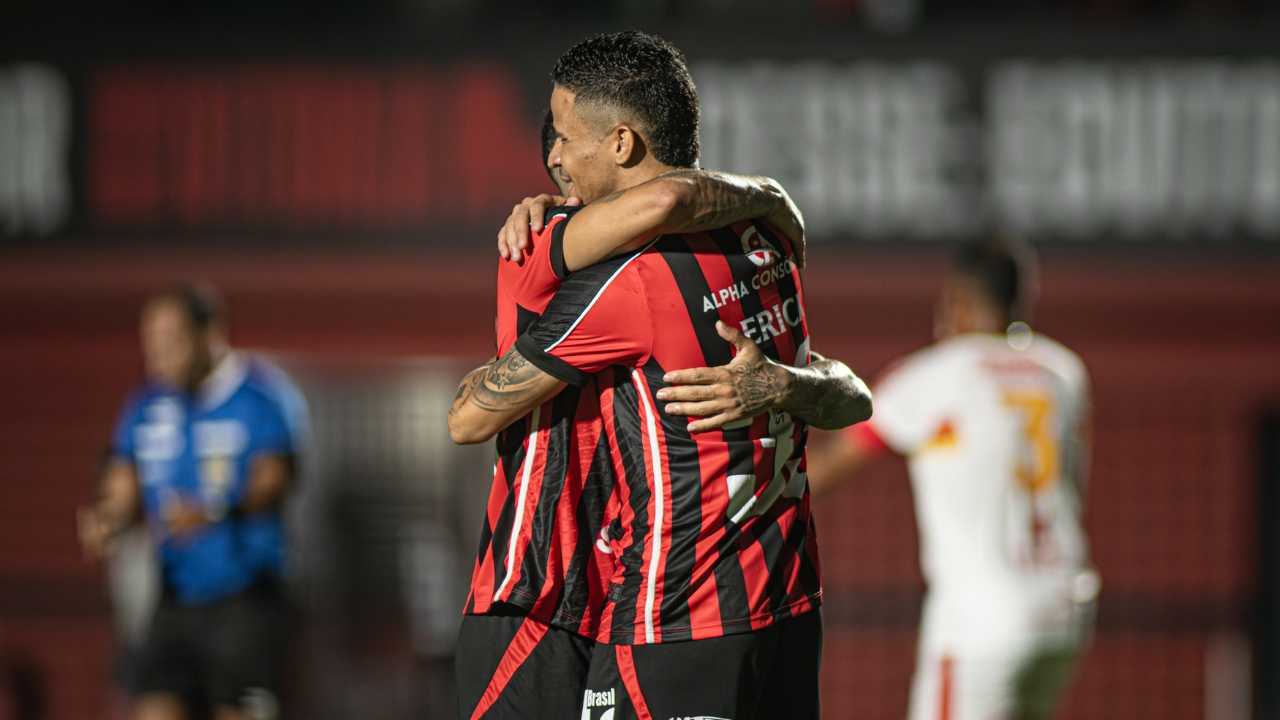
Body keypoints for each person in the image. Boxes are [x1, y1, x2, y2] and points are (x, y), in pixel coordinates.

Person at [449, 31, 873, 720]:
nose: (552, 156)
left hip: (637, 608)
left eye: (561, 135)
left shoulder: (611, 268)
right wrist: (771, 194)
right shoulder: (768, 243)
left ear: (620, 144)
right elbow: (850, 393)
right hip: (781, 599)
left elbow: (466, 418)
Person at [806, 239, 1099, 720]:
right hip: (1064, 605)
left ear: (958, 300)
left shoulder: (937, 374)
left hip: (981, 619)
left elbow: (831, 463)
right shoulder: (1063, 372)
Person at [77, 285, 306, 720]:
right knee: (152, 708)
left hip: (246, 596)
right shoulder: (146, 403)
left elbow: (274, 479)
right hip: (175, 596)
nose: (158, 354)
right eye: (151, 342)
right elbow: (123, 484)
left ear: (210, 334)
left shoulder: (261, 396)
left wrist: (214, 511)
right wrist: (107, 521)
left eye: (171, 340)